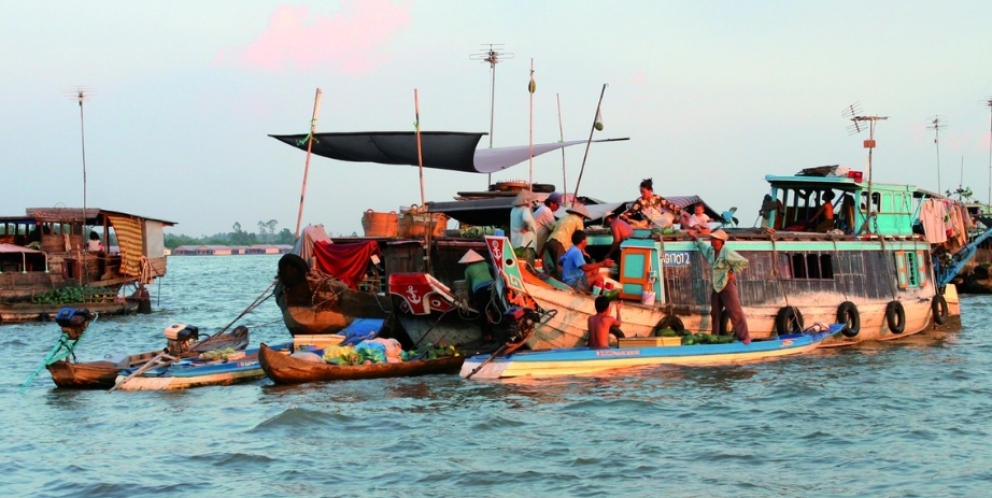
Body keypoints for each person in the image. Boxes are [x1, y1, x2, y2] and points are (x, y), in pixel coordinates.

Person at [689, 229, 751, 344]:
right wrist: (695, 237)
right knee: (715, 313)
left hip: (726, 284)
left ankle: (744, 337)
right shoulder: (712, 251)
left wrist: (732, 271)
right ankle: (715, 337)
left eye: (714, 238)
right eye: (712, 238)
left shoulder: (727, 252)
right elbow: (703, 247)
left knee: (735, 311)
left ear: (720, 241)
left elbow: (744, 262)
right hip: (716, 286)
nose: (711, 240)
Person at [545, 202, 591, 279]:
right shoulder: (578, 220)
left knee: (556, 265)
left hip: (550, 240)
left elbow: (551, 228)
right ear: (582, 215)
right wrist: (584, 251)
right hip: (560, 242)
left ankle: (556, 280)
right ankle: (562, 286)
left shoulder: (564, 217)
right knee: (561, 267)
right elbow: (580, 238)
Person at [460, 249, 495, 341]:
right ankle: (495, 331)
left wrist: (470, 297)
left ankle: (486, 334)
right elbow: (493, 270)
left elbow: (468, 285)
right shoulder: (485, 264)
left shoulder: (467, 269)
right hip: (492, 287)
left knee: (483, 312)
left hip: (480, 290)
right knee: (492, 309)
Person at [509, 190, 539, 266]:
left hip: (517, 242)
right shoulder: (525, 209)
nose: (532, 203)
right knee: (528, 266)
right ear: (527, 201)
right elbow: (527, 218)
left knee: (519, 266)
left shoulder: (514, 210)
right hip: (526, 242)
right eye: (531, 201)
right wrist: (528, 228)